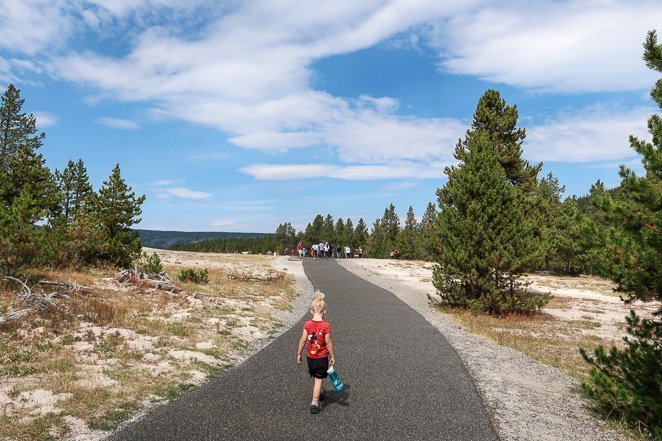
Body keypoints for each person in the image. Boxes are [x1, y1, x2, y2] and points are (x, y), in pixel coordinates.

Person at [297, 291, 336, 414]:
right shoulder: (326, 325)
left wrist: (299, 353)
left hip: (310, 357)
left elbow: (303, 340)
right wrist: (332, 355)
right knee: (319, 379)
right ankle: (315, 403)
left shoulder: (307, 324)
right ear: (325, 311)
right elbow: (328, 342)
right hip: (321, 357)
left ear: (311, 310)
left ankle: (319, 392)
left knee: (316, 377)